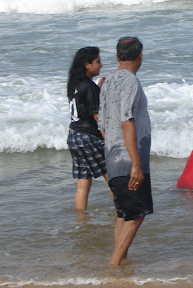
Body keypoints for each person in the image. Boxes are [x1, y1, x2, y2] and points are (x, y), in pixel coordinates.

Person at [98, 36, 153, 266]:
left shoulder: (107, 81)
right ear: (140, 55)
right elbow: (126, 120)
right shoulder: (130, 81)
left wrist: (113, 149)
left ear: (118, 56)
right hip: (127, 160)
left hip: (112, 157)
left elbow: (101, 124)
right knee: (136, 215)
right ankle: (114, 265)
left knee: (123, 215)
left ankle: (121, 262)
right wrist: (136, 163)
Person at [67, 46, 112, 210]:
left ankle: (81, 222)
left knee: (83, 183)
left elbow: (83, 107)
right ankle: (122, 215)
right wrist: (110, 140)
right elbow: (97, 117)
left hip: (74, 136)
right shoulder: (89, 87)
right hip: (88, 137)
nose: (101, 65)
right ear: (87, 64)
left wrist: (97, 89)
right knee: (113, 177)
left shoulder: (75, 84)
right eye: (98, 61)